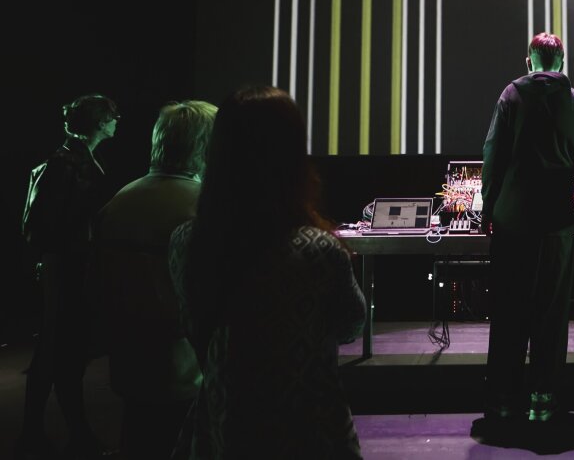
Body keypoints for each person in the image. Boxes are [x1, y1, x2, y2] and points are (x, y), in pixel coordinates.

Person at [168, 85, 366, 459]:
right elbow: (352, 324)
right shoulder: (317, 250)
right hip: (309, 431)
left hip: (221, 428)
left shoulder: (184, 242)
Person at [480, 32, 574, 423]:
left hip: (512, 222)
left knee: (510, 310)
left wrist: (487, 211)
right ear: (562, 62)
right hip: (555, 224)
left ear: (529, 61)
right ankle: (543, 399)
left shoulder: (511, 96)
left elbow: (493, 158)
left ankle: (502, 401)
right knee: (549, 314)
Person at [90, 100, 218, 460]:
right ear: (206, 145)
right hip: (187, 371)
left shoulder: (118, 201)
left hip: (128, 363)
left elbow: (94, 288)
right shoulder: (204, 207)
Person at [17, 93, 121, 459]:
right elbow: (50, 226)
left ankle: (59, 433)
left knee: (58, 353)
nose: (117, 121)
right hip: (67, 271)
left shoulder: (70, 161)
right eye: (112, 116)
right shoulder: (66, 165)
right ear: (99, 122)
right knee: (59, 353)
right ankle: (59, 434)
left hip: (64, 269)